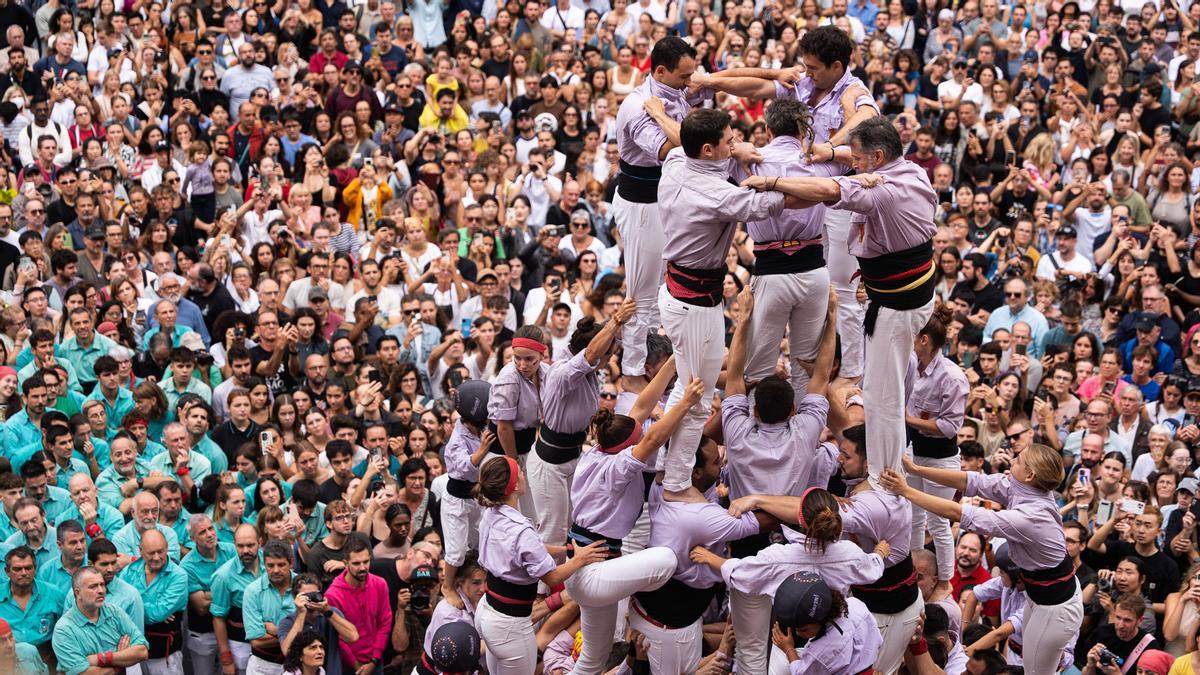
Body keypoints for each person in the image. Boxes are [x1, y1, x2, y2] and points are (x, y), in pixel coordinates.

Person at [746, 115, 937, 490]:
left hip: (898, 306)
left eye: (860, 158)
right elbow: (837, 181)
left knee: (882, 396)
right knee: (881, 389)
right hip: (897, 295)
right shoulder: (909, 170)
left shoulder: (885, 187)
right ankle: (887, 469)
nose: (856, 163)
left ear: (878, 157)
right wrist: (833, 154)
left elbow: (828, 192)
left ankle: (885, 480)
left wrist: (771, 181)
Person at [655, 107, 789, 502]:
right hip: (692, 302)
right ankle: (677, 483)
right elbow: (769, 204)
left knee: (686, 385)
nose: (736, 144)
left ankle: (669, 468)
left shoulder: (680, 159)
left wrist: (738, 151)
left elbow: (685, 146)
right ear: (709, 149)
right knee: (696, 399)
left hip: (689, 293)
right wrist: (767, 166)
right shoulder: (713, 192)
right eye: (729, 141)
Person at [880, 443, 1083, 674]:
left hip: (1055, 607)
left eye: (1018, 459)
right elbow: (969, 481)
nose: (1012, 461)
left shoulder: (1030, 516)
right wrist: (916, 470)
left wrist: (906, 490)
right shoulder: (1020, 486)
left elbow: (959, 513)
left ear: (1030, 475)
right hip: (1043, 595)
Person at [613, 36, 702, 380]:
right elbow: (679, 148)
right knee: (641, 290)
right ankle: (633, 370)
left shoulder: (672, 89)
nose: (688, 82)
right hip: (641, 205)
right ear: (661, 71)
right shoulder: (639, 108)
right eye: (683, 76)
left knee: (666, 283)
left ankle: (656, 357)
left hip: (665, 199)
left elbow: (707, 85)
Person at [471, 455, 606, 674]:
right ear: (514, 485)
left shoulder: (490, 514)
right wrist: (580, 559)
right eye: (520, 472)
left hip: (487, 611)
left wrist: (565, 550)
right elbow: (551, 577)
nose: (524, 474)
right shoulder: (521, 529)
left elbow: (528, 549)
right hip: (509, 625)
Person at [528, 301, 632, 547]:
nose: (611, 357)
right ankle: (542, 586)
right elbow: (591, 356)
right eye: (608, 353)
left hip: (574, 457)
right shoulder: (563, 371)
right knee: (552, 531)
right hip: (549, 463)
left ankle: (565, 582)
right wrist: (615, 320)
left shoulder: (590, 371)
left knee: (575, 524)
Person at [905, 306, 970, 582]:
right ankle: (913, 572)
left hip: (940, 457)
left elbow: (949, 427)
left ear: (924, 339)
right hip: (913, 449)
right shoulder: (908, 364)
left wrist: (907, 419)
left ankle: (944, 581)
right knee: (913, 517)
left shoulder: (952, 376)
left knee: (938, 523)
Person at [770, 572, 882, 675]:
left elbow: (801, 672)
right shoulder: (855, 605)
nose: (798, 633)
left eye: (804, 629)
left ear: (822, 618)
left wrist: (788, 648)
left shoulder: (820, 653)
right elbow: (878, 640)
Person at [51, 567, 149, 674]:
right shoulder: (64, 628)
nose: (101, 591)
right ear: (78, 593)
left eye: (102, 585)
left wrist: (103, 658)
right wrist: (120, 662)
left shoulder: (114, 612)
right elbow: (85, 673)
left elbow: (142, 651)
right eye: (93, 587)